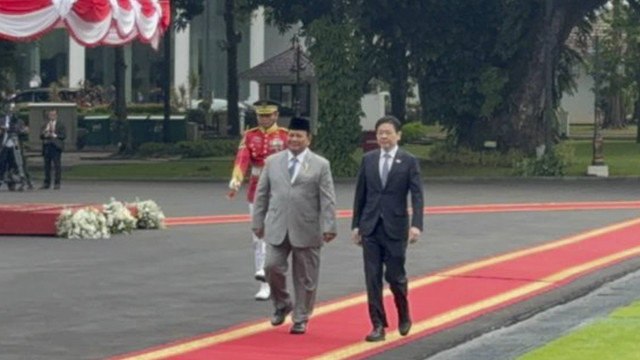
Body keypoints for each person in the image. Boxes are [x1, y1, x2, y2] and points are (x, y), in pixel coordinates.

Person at [252, 117, 337, 335]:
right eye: (291, 135)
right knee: (271, 266)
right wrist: (257, 221)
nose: (294, 139)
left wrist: (329, 226)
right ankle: (282, 303)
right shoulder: (272, 162)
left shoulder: (321, 165)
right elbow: (261, 194)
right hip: (276, 225)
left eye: (299, 135)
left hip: (307, 227)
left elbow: (327, 199)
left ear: (309, 139)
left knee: (306, 277)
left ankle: (301, 317)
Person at [352, 115, 424, 342]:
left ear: (398, 135)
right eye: (380, 132)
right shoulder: (368, 159)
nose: (383, 136)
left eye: (388, 132)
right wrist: (356, 225)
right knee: (372, 278)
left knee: (395, 276)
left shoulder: (409, 160)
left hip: (395, 227)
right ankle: (378, 325)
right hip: (371, 226)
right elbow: (360, 194)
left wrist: (416, 225)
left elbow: (417, 195)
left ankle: (403, 313)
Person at [228, 99, 289, 300]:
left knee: (276, 235)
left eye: (267, 115)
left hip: (279, 190)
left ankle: (275, 278)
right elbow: (242, 159)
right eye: (260, 115)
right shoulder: (250, 136)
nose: (263, 119)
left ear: (275, 115)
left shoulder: (285, 136)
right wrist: (236, 179)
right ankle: (264, 282)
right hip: (256, 190)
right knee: (258, 236)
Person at [0, 103, 32, 191]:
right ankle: (2, 178)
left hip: (15, 144)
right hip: (5, 144)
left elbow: (23, 131)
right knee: (2, 162)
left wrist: (20, 130)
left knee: (18, 163)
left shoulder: (19, 121)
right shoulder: (2, 120)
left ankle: (23, 181)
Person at [40, 109, 66, 190]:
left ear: (56, 115)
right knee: (46, 166)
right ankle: (46, 183)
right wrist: (45, 134)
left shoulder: (60, 124)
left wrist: (54, 135)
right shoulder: (45, 124)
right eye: (50, 115)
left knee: (57, 165)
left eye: (54, 115)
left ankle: (57, 183)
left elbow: (63, 136)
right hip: (47, 145)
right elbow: (40, 135)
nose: (52, 116)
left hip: (56, 146)